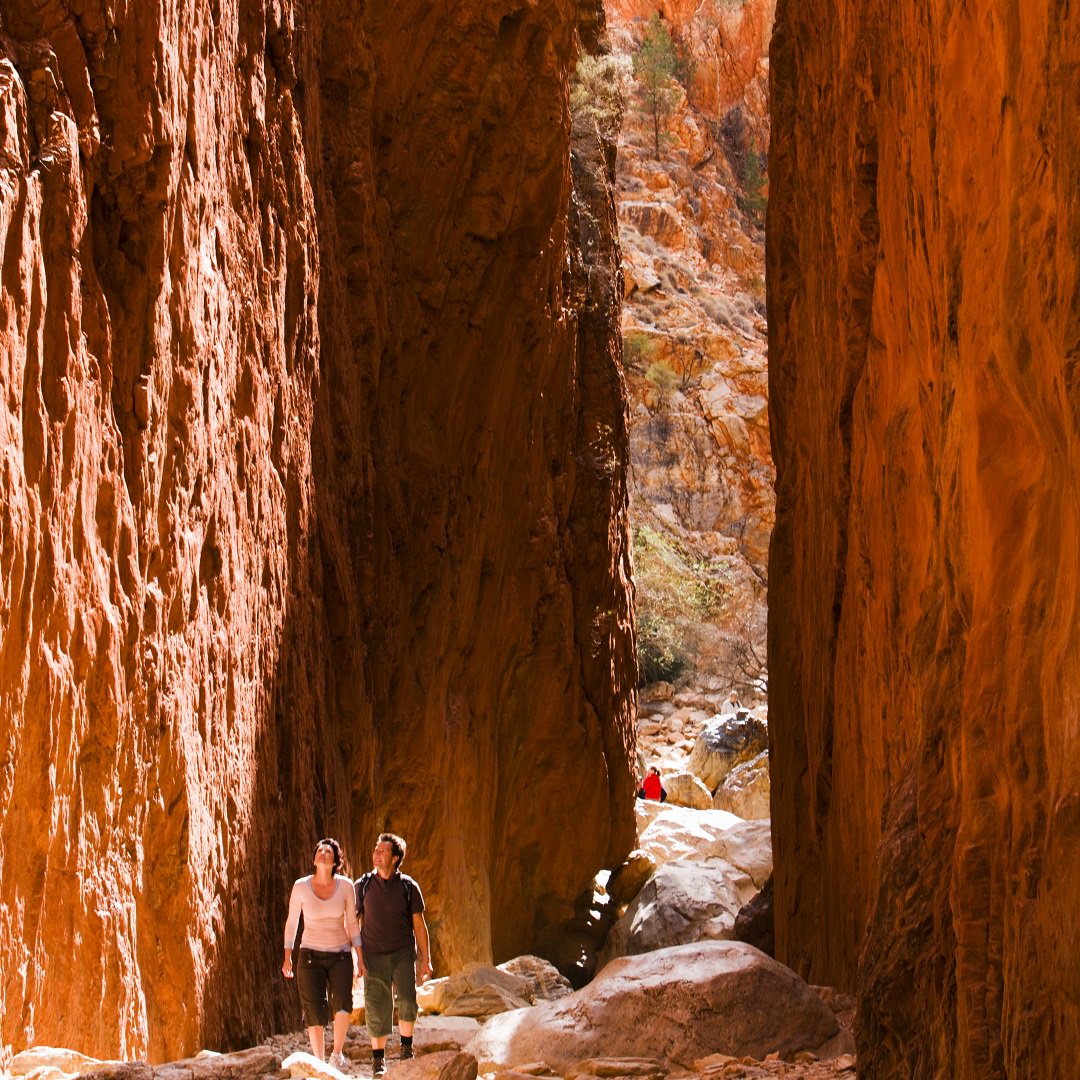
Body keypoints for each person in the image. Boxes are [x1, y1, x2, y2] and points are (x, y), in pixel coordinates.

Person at [355, 833, 433, 1076]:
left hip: (401, 953)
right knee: (376, 1004)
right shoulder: (363, 885)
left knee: (408, 999)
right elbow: (352, 922)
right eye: (375, 849)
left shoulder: (409, 887)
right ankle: (378, 1060)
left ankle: (406, 1049)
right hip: (373, 954)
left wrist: (426, 959)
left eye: (383, 851)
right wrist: (355, 956)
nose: (376, 854)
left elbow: (419, 925)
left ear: (396, 857)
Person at [282, 838, 363, 1071]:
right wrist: (287, 955)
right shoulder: (301, 887)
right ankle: (319, 1060)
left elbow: (352, 924)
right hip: (309, 956)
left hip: (340, 955)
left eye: (328, 851)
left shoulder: (346, 886)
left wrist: (359, 955)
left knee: (342, 1003)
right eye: (320, 850)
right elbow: (292, 922)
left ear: (336, 860)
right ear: (314, 858)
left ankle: (336, 1053)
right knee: (314, 1008)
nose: (323, 854)